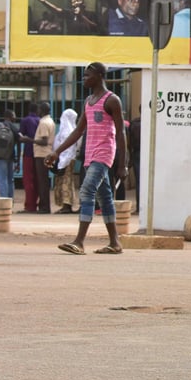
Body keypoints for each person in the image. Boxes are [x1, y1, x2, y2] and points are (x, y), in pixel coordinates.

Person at [45, 62, 129, 254]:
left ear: (99, 76)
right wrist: (57, 152)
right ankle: (115, 242)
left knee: (87, 190)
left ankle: (79, 241)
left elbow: (121, 133)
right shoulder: (89, 101)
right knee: (105, 197)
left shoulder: (112, 100)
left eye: (87, 76)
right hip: (90, 155)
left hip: (104, 154)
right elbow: (78, 130)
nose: (84, 79)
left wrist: (122, 164)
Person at [51, 108, 80, 214]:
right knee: (66, 181)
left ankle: (66, 205)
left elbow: (68, 150)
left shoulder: (67, 132)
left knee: (65, 182)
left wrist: (62, 164)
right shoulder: (71, 129)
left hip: (65, 160)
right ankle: (65, 205)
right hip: (66, 159)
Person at [33, 0, 99, 35]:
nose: (75, 3)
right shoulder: (69, 13)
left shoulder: (91, 14)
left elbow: (95, 28)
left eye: (78, 1)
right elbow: (56, 9)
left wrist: (81, 16)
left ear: (83, 2)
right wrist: (44, 1)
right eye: (73, 2)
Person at [30, 103, 54, 214]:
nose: (37, 111)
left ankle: (44, 207)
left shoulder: (44, 122)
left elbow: (44, 141)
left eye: (39, 109)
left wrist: (29, 140)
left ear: (42, 110)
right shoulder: (50, 121)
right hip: (45, 154)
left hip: (42, 154)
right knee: (43, 181)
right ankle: (44, 206)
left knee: (42, 181)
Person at [18, 102, 41, 212]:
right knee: (37, 180)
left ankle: (30, 205)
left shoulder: (25, 120)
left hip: (28, 152)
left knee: (28, 180)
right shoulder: (40, 121)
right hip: (39, 153)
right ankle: (36, 203)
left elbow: (21, 137)